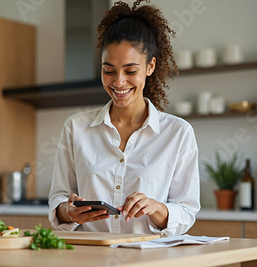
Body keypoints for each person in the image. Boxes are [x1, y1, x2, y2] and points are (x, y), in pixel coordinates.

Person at [48, 0, 200, 236]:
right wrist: (68, 211)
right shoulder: (76, 128)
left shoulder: (178, 133)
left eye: (130, 71)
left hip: (149, 259)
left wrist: (155, 208)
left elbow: (187, 211)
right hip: (89, 257)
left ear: (150, 67)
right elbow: (58, 196)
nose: (118, 82)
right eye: (108, 70)